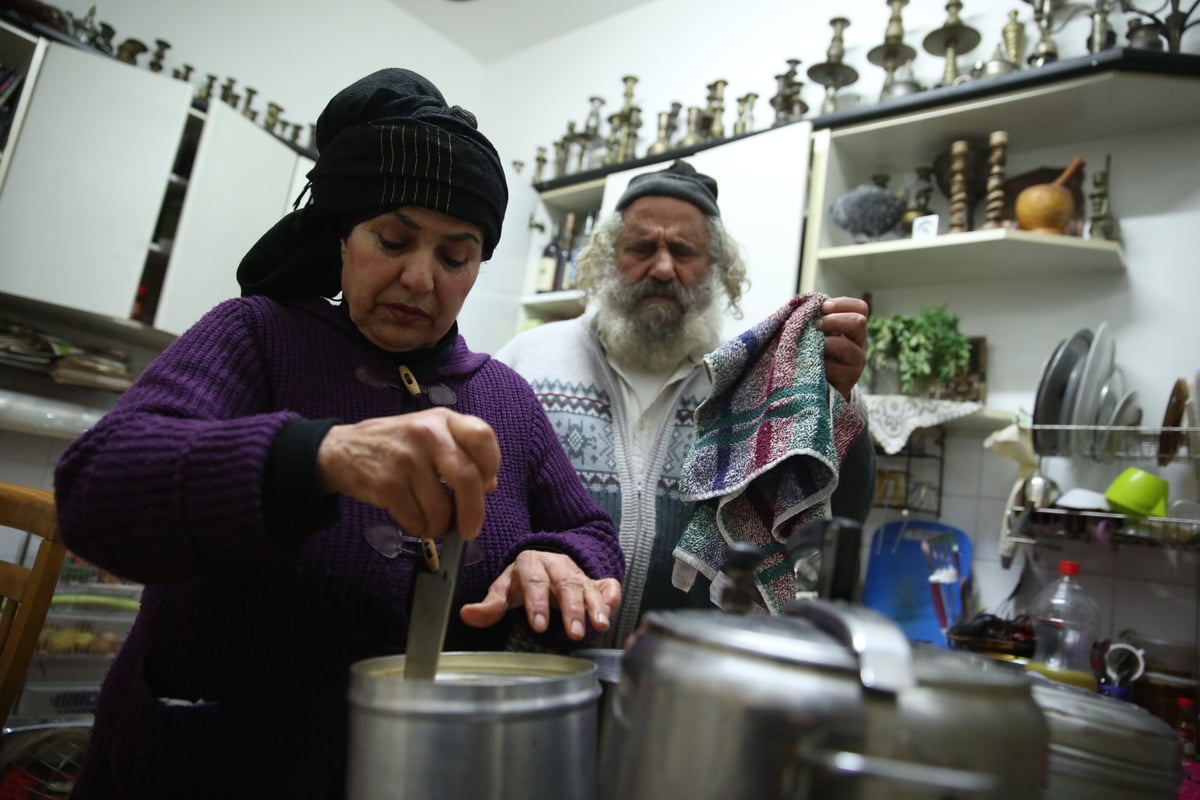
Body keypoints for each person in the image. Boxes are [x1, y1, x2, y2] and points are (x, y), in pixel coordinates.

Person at [52, 68, 624, 799]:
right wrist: (315, 457)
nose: (421, 278)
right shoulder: (255, 338)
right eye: (393, 239)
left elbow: (588, 531)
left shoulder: (505, 398)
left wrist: (560, 560)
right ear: (342, 237)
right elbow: (97, 489)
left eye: (456, 256)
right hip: (214, 767)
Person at [496, 159, 874, 646]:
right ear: (608, 258)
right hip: (537, 678)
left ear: (716, 269)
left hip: (683, 686)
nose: (662, 267)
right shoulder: (526, 362)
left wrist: (838, 400)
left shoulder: (751, 384)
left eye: (683, 250)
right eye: (641, 247)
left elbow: (835, 519)